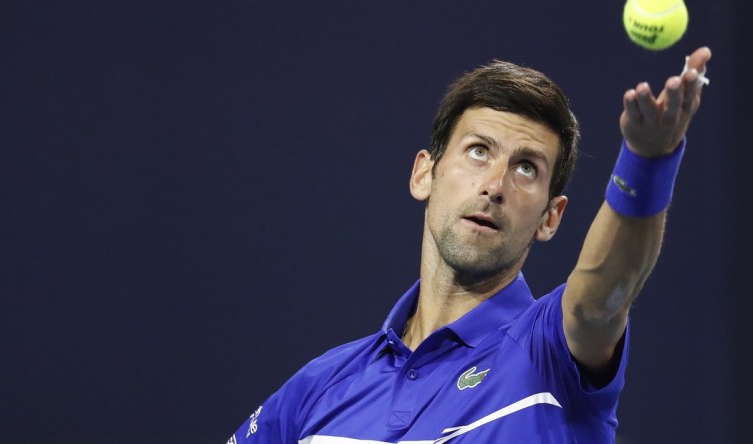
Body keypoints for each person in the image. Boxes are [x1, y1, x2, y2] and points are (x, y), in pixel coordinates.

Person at [227, 46, 712, 443]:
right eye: (478, 151)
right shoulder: (319, 388)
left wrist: (647, 163)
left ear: (550, 217)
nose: (496, 184)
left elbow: (603, 296)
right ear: (425, 173)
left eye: (527, 168)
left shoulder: (552, 352)